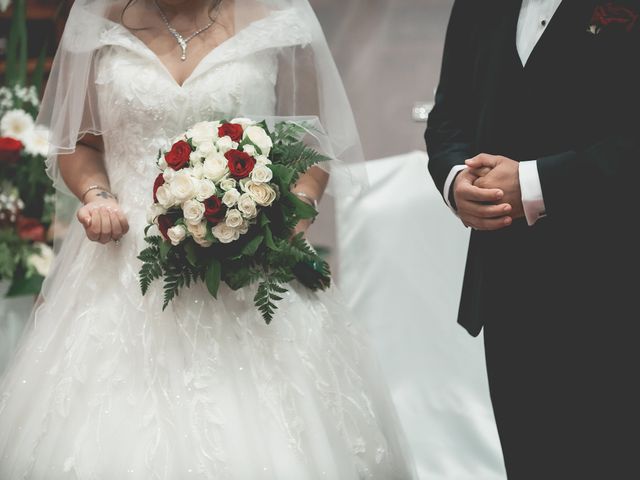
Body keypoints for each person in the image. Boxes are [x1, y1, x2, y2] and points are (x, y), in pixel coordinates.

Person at [0, 1, 415, 478]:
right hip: (126, 261)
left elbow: (310, 143)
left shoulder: (277, 16)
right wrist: (97, 196)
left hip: (251, 260)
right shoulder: (100, 17)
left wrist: (289, 219)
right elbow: (80, 142)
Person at [426, 0, 640, 478]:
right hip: (509, 286)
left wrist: (536, 182)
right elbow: (448, 114)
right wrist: (456, 178)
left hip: (619, 283)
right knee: (532, 460)